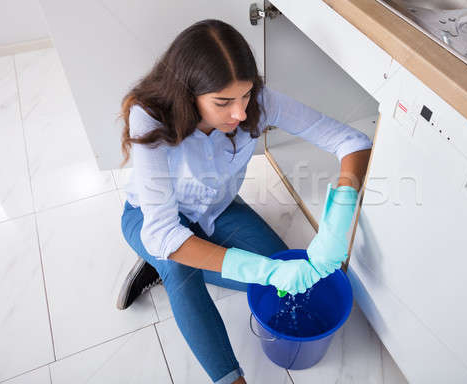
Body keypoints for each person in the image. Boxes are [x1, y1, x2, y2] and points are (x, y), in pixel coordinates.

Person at [117, 19, 372, 384]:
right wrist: (261, 270)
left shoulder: (256, 104)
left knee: (284, 279)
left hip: (216, 212)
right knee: (176, 265)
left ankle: (173, 265)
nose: (240, 113)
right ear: (187, 93)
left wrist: (340, 215)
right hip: (148, 219)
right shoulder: (150, 116)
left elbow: (352, 141)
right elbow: (162, 234)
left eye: (246, 95)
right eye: (223, 102)